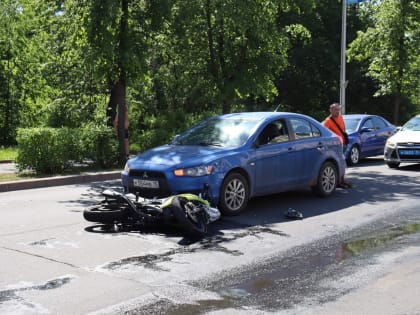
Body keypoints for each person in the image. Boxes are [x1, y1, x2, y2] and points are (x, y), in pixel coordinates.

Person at [324, 102, 352, 188]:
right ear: (331, 110)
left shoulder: (340, 117)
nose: (337, 111)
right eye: (336, 110)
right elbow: (326, 135)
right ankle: (340, 181)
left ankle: (342, 180)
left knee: (342, 162)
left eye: (338, 110)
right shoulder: (327, 121)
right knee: (340, 162)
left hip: (343, 144)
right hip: (336, 145)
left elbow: (343, 129)